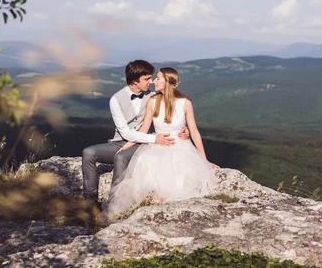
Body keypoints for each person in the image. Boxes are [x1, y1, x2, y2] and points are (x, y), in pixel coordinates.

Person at [104, 67, 219, 221]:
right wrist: (129, 144)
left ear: (168, 82)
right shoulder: (153, 101)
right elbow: (144, 128)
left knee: (179, 177)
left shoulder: (185, 103)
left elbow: (195, 132)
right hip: (157, 144)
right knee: (147, 163)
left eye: (158, 78)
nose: (154, 81)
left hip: (180, 146)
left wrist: (204, 160)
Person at [81, 60, 189, 204]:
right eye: (146, 79)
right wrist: (155, 139)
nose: (150, 82)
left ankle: (115, 202)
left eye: (151, 78)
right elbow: (125, 133)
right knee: (88, 153)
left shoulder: (152, 96)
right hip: (120, 142)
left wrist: (183, 129)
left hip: (142, 143)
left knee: (120, 158)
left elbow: (174, 108)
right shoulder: (116, 100)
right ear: (134, 81)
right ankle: (89, 201)